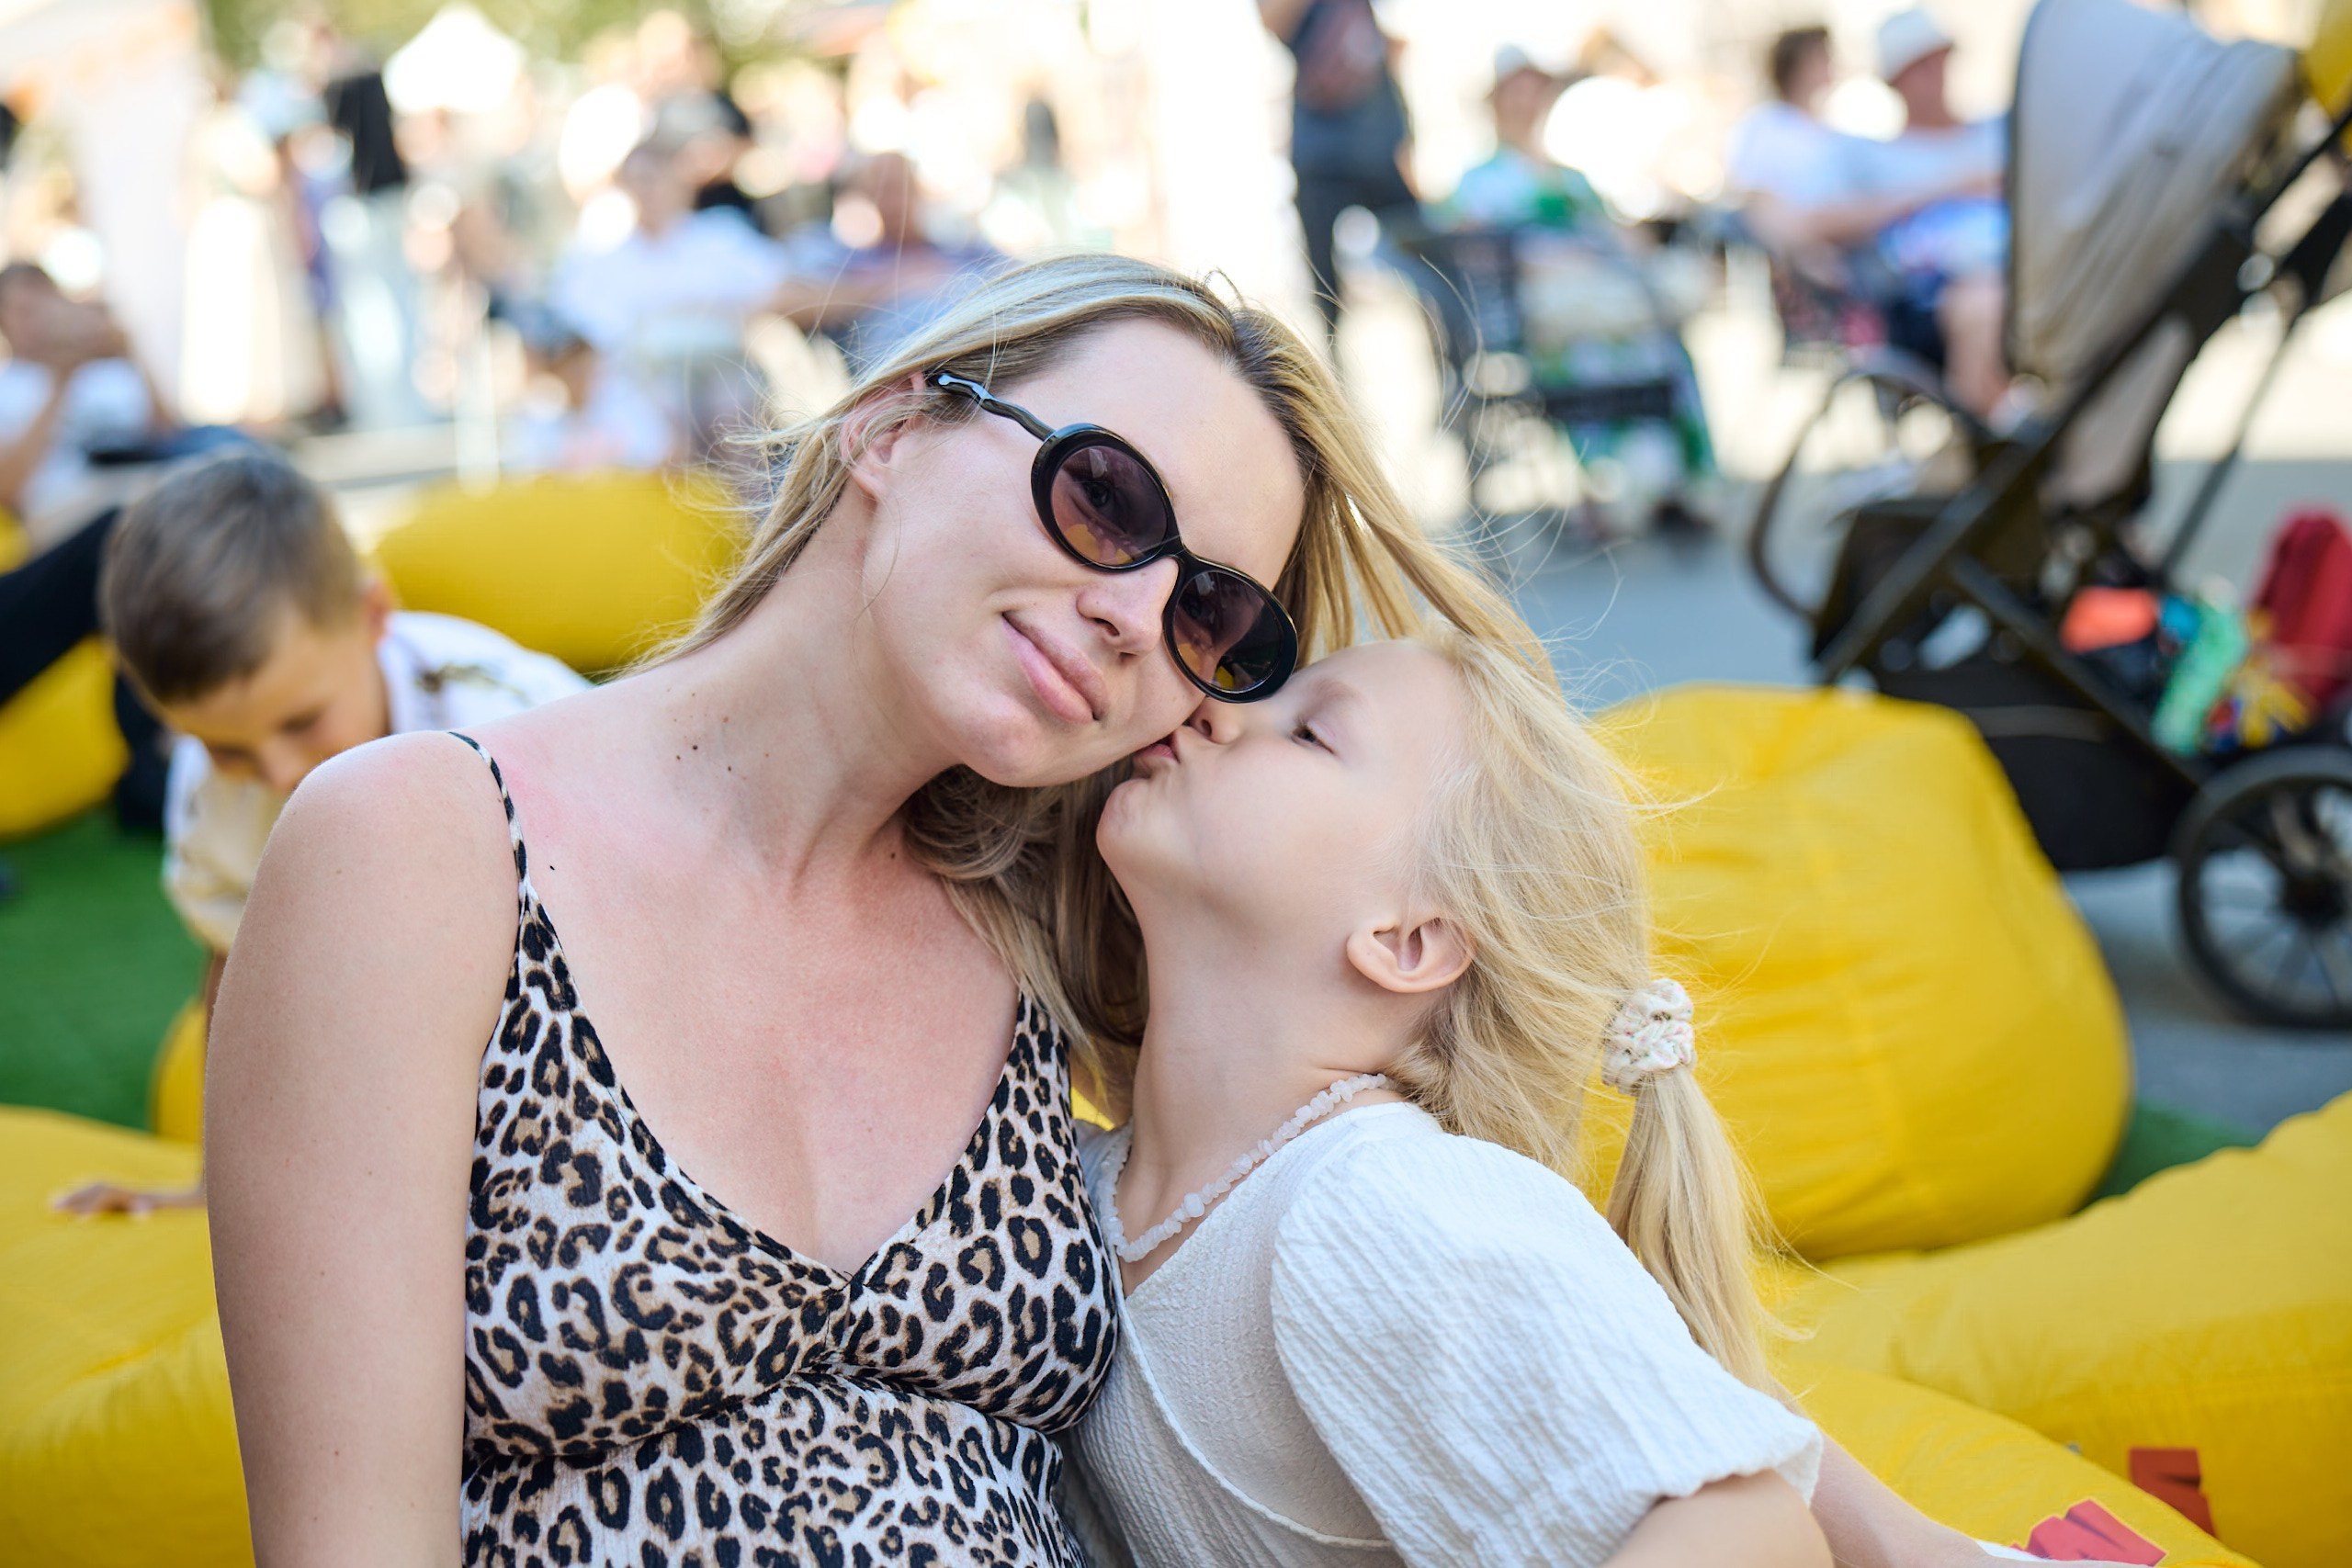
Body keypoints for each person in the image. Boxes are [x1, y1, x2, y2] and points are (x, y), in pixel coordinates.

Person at [204, 252, 1533, 1564]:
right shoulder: (421, 850)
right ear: (893, 425)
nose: (1138, 614)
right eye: (1107, 497)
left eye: (1213, 613)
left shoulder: (1059, 929)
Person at [1067, 633, 2154, 1568]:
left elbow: (1747, 1533)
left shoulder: (1377, 1206)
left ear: (1409, 939)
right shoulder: (1082, 1184)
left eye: (1311, 732)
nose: (1209, 706)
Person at [53, 448, 586, 1216]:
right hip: (398, 1009)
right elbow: (233, 966)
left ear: (373, 615)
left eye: (302, 721)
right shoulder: (209, 791)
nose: (276, 772)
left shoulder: (509, 713)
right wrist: (214, 1184)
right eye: (227, 747)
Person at [1726, 18, 2007, 415]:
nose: (1933, 74)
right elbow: (1778, 212)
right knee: (1986, 303)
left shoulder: (1998, 130)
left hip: (2032, 265)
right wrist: (1945, 188)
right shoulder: (1838, 148)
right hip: (1940, 293)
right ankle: (1998, 431)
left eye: (1938, 60)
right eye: (1919, 66)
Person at [552, 139, 790, 460]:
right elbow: (582, 339)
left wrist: (719, 313)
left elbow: (784, 289)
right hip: (639, 386)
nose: (649, 191)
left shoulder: (720, 238)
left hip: (725, 370)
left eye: (656, 178)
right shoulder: (597, 262)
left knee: (732, 407)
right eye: (639, 181)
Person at [1259, 0, 1423, 342]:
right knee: (1324, 282)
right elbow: (1271, 20)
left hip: (1380, 141)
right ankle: (1332, 362)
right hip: (1321, 155)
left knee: (1424, 258)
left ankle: (1450, 359)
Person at [772, 149, 1006, 372]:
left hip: (984, 347)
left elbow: (1019, 281)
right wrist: (894, 284)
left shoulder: (962, 246)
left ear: (919, 189)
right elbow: (782, 304)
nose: (891, 202)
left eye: (898, 188)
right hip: (905, 364)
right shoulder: (846, 258)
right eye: (879, 190)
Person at [0, 262, 176, 543]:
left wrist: (133, 353)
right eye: (24, 312)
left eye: (45, 306)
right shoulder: (7, 386)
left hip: (139, 493)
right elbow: (7, 491)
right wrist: (61, 381)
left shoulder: (106, 369)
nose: (38, 321)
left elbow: (169, 435)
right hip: (64, 520)